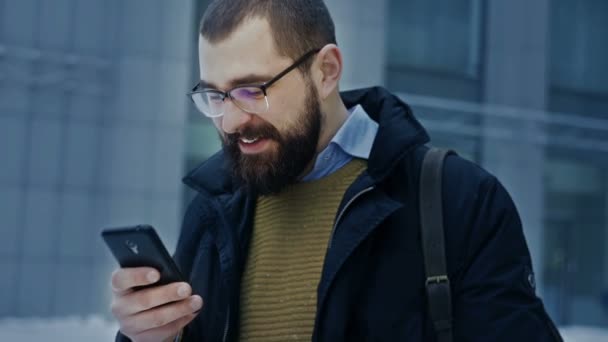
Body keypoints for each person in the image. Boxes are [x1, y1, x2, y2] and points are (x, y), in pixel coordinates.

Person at [109, 1, 563, 341]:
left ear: (326, 71)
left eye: (251, 91)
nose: (230, 120)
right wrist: (149, 335)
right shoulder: (214, 210)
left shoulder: (457, 199)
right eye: (214, 96)